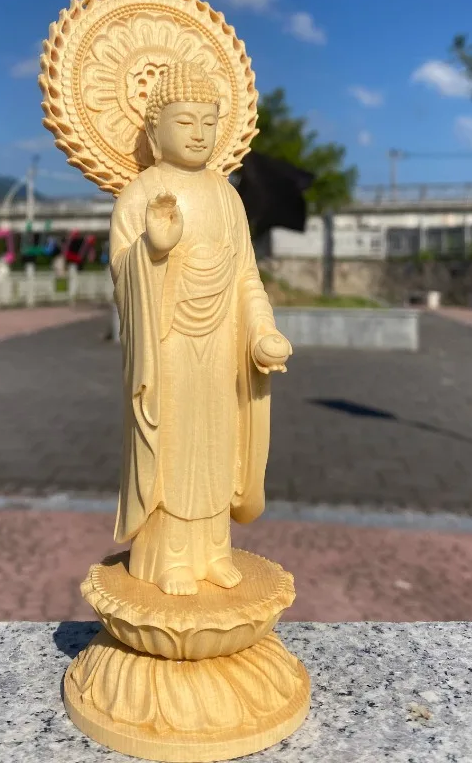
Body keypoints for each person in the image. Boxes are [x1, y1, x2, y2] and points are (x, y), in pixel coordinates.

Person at [110, 61, 292, 595]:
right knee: (172, 447)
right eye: (185, 121)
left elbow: (246, 276)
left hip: (220, 345)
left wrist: (262, 331)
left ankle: (213, 550)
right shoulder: (140, 194)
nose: (199, 134)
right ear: (153, 129)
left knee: (217, 445)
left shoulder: (227, 195)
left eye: (209, 123)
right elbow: (122, 273)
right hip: (166, 346)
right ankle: (167, 556)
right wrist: (153, 250)